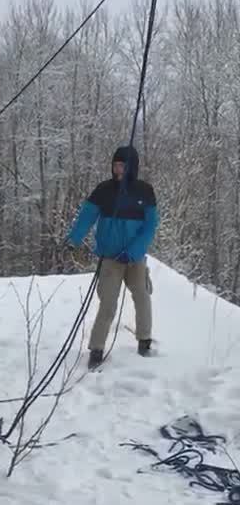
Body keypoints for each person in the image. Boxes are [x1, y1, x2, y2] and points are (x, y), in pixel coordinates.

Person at [66, 144, 159, 369]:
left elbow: (150, 226)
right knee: (107, 302)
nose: (118, 170)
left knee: (142, 295)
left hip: (135, 258)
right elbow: (86, 217)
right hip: (110, 257)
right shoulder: (104, 190)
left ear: (131, 167)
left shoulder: (145, 191)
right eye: (116, 165)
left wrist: (135, 251)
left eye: (122, 166)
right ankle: (96, 349)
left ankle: (144, 341)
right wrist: (73, 239)